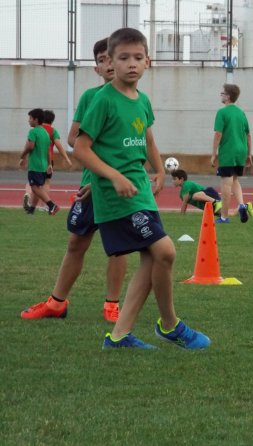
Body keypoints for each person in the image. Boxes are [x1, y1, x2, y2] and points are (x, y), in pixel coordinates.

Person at [73, 27, 210, 349]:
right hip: (117, 196)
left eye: (137, 57)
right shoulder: (103, 100)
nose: (131, 63)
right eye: (123, 58)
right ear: (111, 62)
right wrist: (113, 177)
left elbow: (147, 138)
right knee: (165, 251)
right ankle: (170, 324)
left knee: (152, 259)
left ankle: (119, 335)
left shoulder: (142, 100)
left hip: (141, 191)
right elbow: (81, 147)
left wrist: (160, 170)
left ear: (148, 61)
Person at [20, 38, 126, 323]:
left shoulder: (132, 99)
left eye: (112, 57)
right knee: (76, 243)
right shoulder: (91, 98)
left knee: (118, 246)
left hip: (119, 186)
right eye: (102, 59)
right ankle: (56, 302)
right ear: (97, 67)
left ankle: (112, 305)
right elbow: (72, 138)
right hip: (92, 183)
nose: (109, 64)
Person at [211, 83, 253, 224]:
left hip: (229, 150)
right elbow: (248, 135)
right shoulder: (241, 113)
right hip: (242, 150)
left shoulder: (222, 112)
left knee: (226, 183)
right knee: (235, 180)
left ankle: (224, 217)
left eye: (222, 93)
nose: (221, 95)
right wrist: (249, 154)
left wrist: (213, 153)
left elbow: (218, 134)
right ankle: (241, 205)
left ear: (228, 96)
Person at [23, 110, 73, 212]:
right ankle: (41, 205)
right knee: (44, 183)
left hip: (35, 160)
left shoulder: (35, 130)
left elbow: (28, 144)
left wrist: (23, 157)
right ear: (52, 120)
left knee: (33, 183)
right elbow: (58, 145)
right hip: (47, 161)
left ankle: (29, 197)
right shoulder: (51, 131)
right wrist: (66, 158)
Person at [18, 108, 59, 216]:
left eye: (30, 118)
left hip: (35, 165)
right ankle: (32, 209)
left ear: (36, 120)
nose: (28, 120)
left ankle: (51, 205)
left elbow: (30, 146)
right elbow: (48, 151)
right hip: (44, 165)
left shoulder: (33, 131)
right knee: (38, 187)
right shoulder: (45, 133)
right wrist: (49, 164)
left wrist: (22, 156)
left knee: (35, 187)